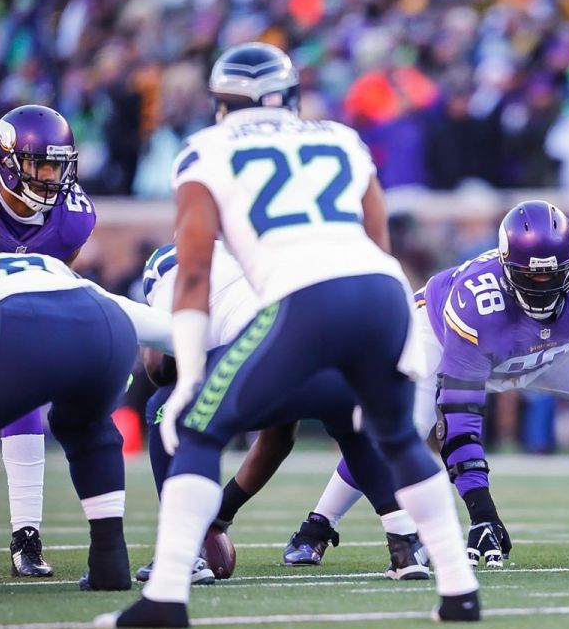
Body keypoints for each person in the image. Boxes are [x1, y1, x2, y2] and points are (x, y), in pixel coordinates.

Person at [96, 43, 479, 629]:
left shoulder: (205, 149)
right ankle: (459, 589)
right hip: (382, 290)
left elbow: (194, 271)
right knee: (397, 437)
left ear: (221, 102)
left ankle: (167, 597)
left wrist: (191, 378)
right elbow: (377, 239)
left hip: (305, 296)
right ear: (290, 95)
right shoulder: (339, 138)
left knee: (197, 425)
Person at [283, 200, 569, 569]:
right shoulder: (477, 303)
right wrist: (482, 513)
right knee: (400, 431)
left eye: (552, 274)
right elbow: (459, 424)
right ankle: (318, 524)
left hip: (549, 348)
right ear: (507, 266)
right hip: (440, 340)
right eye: (531, 275)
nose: (542, 285)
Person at [137, 242, 429, 582]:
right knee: (350, 424)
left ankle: (181, 551)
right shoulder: (257, 258)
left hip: (268, 359)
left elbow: (156, 365)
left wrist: (179, 362)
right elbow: (278, 437)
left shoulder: (169, 270)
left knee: (162, 406)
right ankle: (405, 544)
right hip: (340, 352)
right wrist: (221, 515)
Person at [0, 252, 171, 590]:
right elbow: (159, 326)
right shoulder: (49, 265)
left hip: (11, 326)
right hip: (103, 324)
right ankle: (110, 560)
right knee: (86, 424)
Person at [0, 104, 98, 577]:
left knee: (24, 400)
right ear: (7, 162)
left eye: (58, 166)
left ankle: (26, 537)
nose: (50, 178)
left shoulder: (72, 218)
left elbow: (55, 276)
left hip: (14, 316)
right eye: (40, 165)